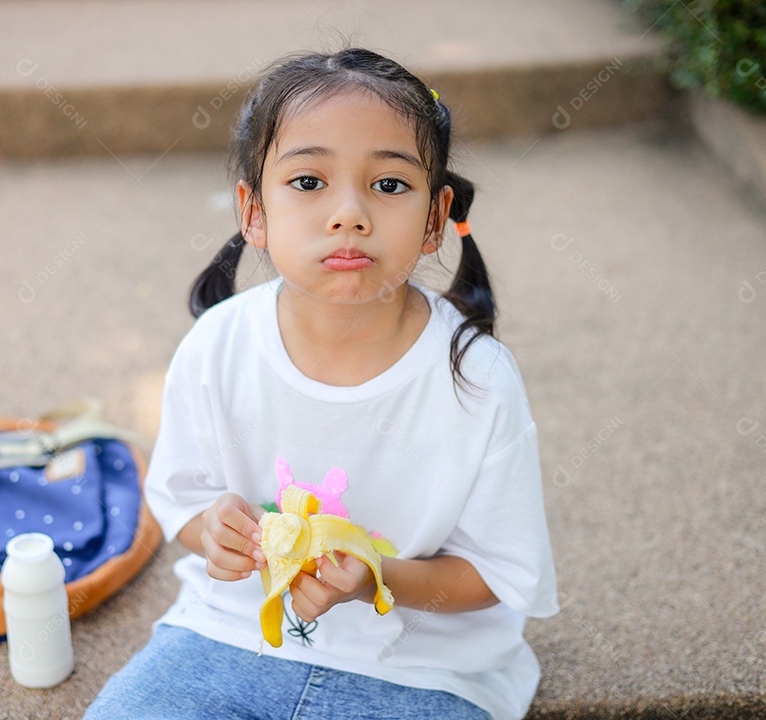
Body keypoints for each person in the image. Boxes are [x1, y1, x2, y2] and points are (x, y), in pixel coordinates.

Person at [84, 47, 558, 720]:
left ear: (434, 218)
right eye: (308, 182)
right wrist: (209, 529)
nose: (349, 214)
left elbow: (496, 576)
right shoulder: (217, 346)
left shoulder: (476, 379)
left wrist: (376, 578)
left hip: (423, 671)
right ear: (253, 212)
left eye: (389, 185)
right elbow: (182, 498)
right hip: (227, 638)